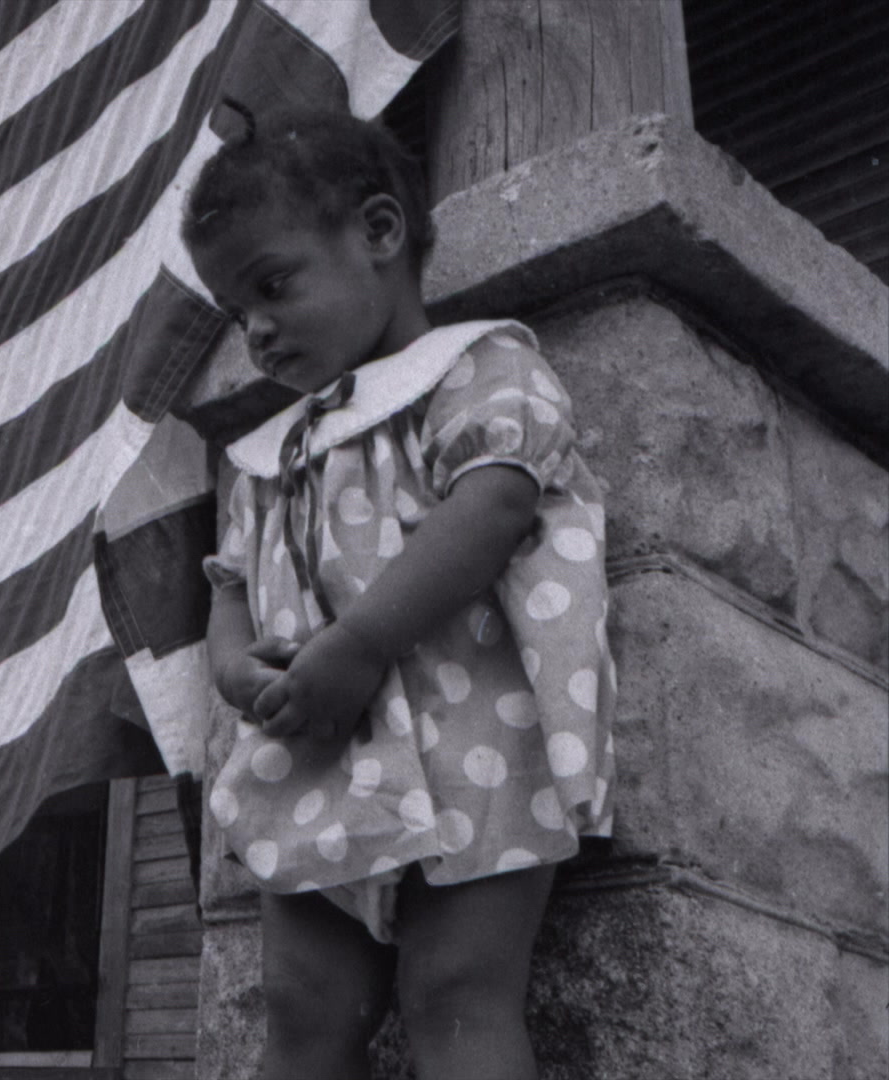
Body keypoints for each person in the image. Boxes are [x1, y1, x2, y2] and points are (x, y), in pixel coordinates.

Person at [181, 106, 615, 1080]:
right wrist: (235, 665)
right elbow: (228, 584)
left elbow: (497, 500)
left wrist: (365, 641)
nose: (254, 327)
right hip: (316, 769)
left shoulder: (477, 369)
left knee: (457, 991)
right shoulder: (273, 453)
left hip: (472, 748)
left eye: (272, 284)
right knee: (301, 1008)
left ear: (379, 233)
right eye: (233, 309)